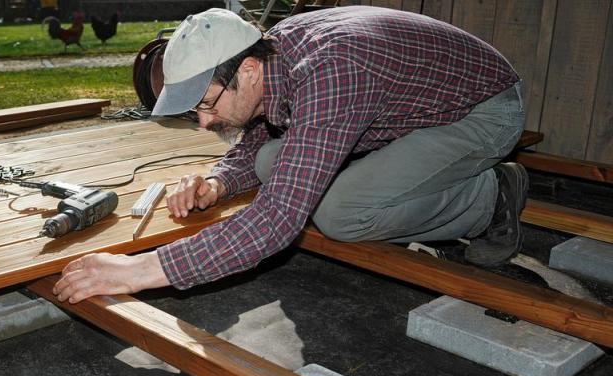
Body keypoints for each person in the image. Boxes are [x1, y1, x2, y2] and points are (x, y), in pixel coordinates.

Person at [53, 6, 528, 304]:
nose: (203, 122)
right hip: (408, 111)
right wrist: (219, 182)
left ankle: (492, 196)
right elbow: (262, 130)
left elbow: (279, 219)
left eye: (206, 104)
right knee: (266, 162)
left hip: (481, 112)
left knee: (341, 214)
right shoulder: (272, 55)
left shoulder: (332, 71)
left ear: (248, 70)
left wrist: (140, 269)